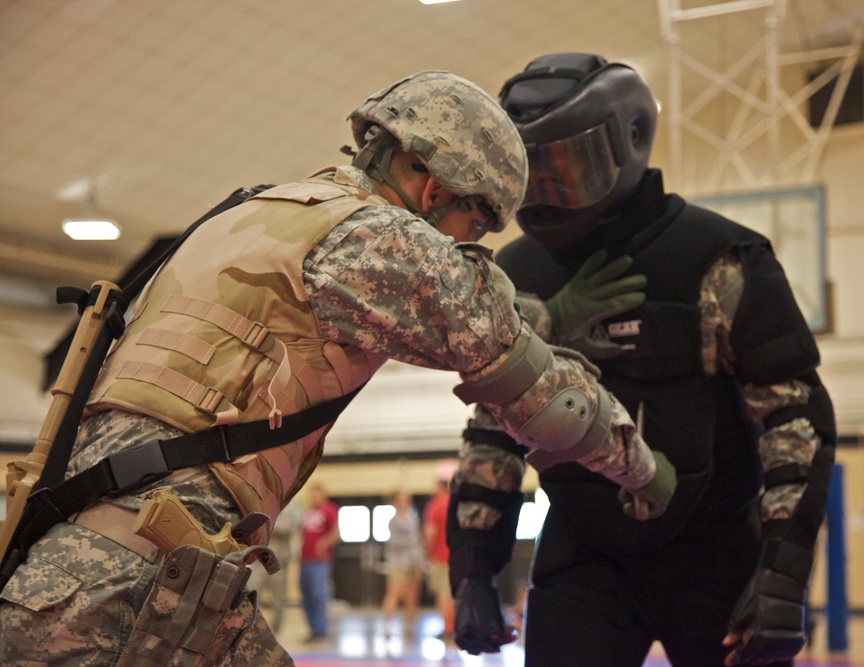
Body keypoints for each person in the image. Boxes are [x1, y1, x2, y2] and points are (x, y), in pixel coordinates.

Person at [0, 68, 676, 665]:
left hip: (64, 573)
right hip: (139, 593)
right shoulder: (382, 237)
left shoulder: (254, 212)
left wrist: (543, 314)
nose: (470, 242)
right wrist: (646, 469)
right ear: (436, 187)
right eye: (476, 224)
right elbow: (547, 400)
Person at [447, 53, 837, 667]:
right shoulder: (509, 278)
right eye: (530, 171)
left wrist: (782, 573)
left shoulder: (721, 258)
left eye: (565, 166)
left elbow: (795, 421)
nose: (545, 194)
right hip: (583, 558)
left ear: (629, 139)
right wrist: (472, 570)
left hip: (720, 555)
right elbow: (494, 430)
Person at [248, 495, 303, 634]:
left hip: (278, 560)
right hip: (258, 557)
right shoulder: (259, 499)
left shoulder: (292, 504)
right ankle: (254, 627)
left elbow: (289, 527)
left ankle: (275, 630)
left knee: (279, 598)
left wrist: (266, 523)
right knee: (252, 593)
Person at [380, 490, 424, 637]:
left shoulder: (413, 516)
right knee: (394, 593)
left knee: (412, 595)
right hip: (398, 562)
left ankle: (409, 626)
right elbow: (395, 542)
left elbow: (417, 539)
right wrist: (412, 542)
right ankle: (387, 627)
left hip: (414, 562)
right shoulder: (393, 521)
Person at [299, 484, 340, 642]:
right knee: (306, 595)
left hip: (319, 562)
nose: (313, 498)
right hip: (305, 559)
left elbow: (336, 533)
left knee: (318, 594)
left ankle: (321, 629)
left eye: (316, 494)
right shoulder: (307, 512)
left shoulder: (328, 510)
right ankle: (312, 629)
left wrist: (324, 543)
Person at [424, 466, 455, 639]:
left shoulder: (435, 505)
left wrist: (427, 553)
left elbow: (430, 532)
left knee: (443, 593)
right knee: (453, 592)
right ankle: (454, 625)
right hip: (455, 555)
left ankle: (448, 628)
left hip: (440, 556)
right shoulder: (455, 503)